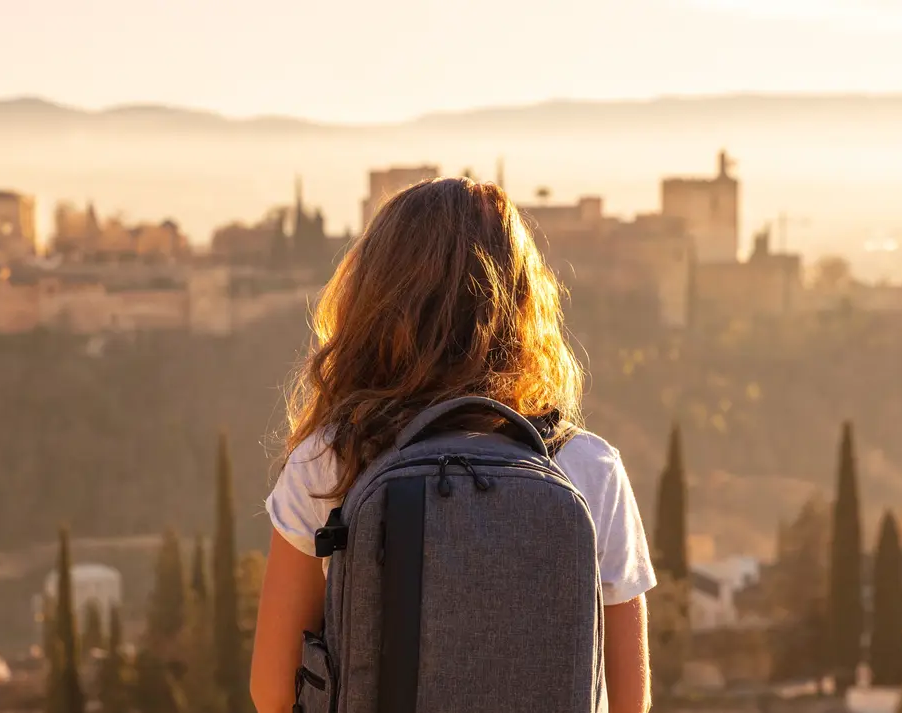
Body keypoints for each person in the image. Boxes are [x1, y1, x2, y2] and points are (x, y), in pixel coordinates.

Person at [248, 177, 656, 713]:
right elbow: (631, 700)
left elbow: (274, 691)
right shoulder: (589, 467)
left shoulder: (330, 461)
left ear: (374, 300)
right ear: (522, 303)